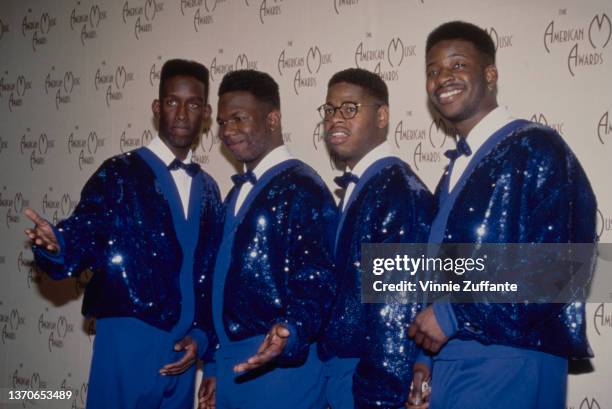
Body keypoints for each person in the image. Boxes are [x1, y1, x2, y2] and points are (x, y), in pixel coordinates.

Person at [407, 21, 597, 409]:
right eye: (432, 70)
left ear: (490, 74)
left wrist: (452, 314)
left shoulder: (537, 147)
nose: (443, 77)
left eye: (457, 64)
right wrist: (426, 358)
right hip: (454, 362)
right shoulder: (455, 169)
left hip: (513, 359)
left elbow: (560, 266)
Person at [24, 59, 223, 409]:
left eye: (192, 104)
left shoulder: (209, 189)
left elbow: (209, 272)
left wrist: (203, 336)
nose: (181, 113)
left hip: (183, 350)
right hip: (127, 338)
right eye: (172, 102)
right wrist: (59, 245)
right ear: (156, 107)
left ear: (205, 113)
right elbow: (87, 230)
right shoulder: (120, 172)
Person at [197, 69, 337, 409]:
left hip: (281, 371)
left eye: (239, 119)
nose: (228, 131)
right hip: (234, 366)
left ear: (272, 119)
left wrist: (290, 332)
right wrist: (215, 364)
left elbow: (318, 279)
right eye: (222, 121)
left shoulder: (303, 186)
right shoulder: (233, 194)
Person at [316, 68, 434, 409]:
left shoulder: (398, 191)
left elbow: (396, 313)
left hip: (370, 384)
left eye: (350, 108)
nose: (336, 119)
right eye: (330, 109)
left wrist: (379, 397)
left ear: (381, 116)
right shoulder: (367, 184)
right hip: (341, 376)